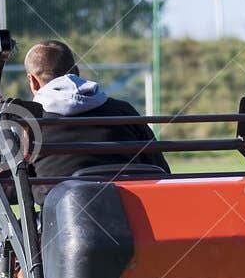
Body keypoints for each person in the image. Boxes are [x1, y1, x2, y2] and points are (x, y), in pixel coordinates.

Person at [21, 39, 167, 179]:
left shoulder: (30, 124)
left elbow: (13, 190)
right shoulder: (124, 111)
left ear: (33, 81)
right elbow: (161, 170)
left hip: (63, 203)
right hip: (129, 202)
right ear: (77, 72)